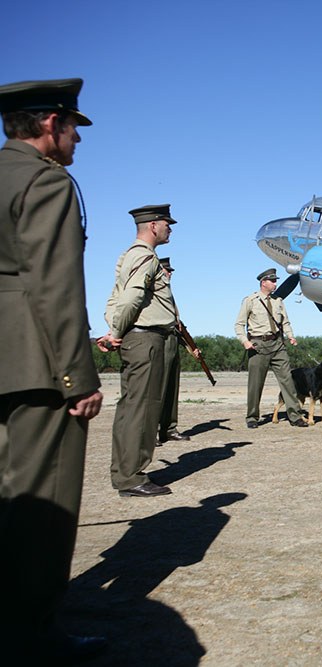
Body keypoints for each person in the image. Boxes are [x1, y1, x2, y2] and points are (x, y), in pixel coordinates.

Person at [0, 77, 108, 662]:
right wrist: (78, 377)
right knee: (45, 509)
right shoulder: (47, 182)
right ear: (49, 124)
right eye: (73, 127)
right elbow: (55, 286)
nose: (76, 141)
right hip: (36, 367)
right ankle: (33, 636)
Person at [102, 204, 183, 496]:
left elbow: (115, 299)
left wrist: (114, 329)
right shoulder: (145, 257)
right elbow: (130, 299)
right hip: (146, 340)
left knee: (132, 408)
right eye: (166, 224)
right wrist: (115, 332)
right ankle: (131, 478)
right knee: (143, 409)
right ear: (153, 226)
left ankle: (125, 473)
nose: (170, 229)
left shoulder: (129, 255)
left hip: (138, 338)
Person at [234, 268, 308, 429]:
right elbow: (239, 325)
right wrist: (245, 342)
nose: (276, 284)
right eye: (273, 281)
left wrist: (291, 336)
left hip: (278, 345)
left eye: (276, 281)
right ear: (263, 283)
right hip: (258, 345)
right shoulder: (250, 300)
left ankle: (295, 416)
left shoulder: (278, 301)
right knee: (256, 383)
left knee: (288, 381)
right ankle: (252, 417)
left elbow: (285, 322)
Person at [157, 258, 194, 443]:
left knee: (172, 387)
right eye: (166, 270)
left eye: (170, 271)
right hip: (158, 340)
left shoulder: (169, 294)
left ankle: (169, 428)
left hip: (172, 341)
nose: (169, 273)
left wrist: (190, 348)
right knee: (158, 388)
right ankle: (152, 430)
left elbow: (177, 324)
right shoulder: (153, 291)